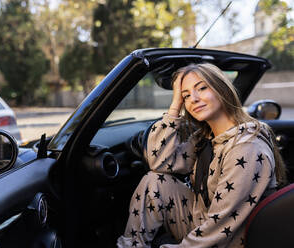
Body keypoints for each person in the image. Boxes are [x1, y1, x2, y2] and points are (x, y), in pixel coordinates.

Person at [117, 63, 286, 248]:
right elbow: (160, 162)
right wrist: (175, 105)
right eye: (186, 95)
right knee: (154, 181)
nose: (194, 99)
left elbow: (221, 225)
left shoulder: (246, 148)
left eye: (202, 88)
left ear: (222, 89)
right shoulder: (204, 138)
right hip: (201, 217)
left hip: (231, 238)